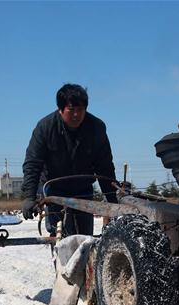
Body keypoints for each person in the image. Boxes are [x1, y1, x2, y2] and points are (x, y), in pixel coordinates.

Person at [21, 83, 117, 236]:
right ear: (60, 109)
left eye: (81, 110)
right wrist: (29, 197)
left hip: (83, 190)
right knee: (59, 235)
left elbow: (104, 166)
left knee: (85, 238)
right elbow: (33, 164)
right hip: (54, 189)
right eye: (71, 110)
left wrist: (112, 198)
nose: (76, 115)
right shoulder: (45, 127)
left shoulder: (96, 128)